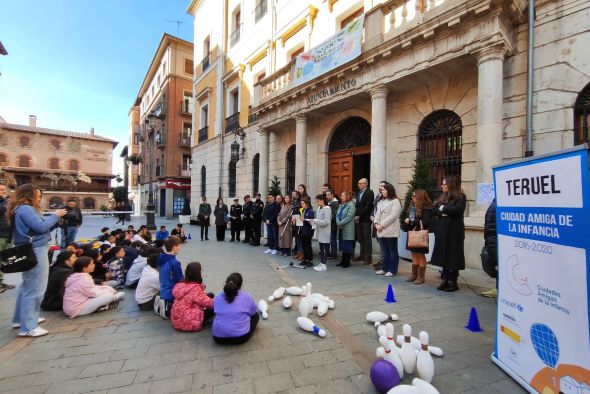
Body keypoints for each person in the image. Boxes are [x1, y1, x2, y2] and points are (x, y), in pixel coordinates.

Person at [9, 184, 66, 337]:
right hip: (36, 250)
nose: (39, 199)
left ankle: (20, 320)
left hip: (28, 249)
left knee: (27, 286)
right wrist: (56, 215)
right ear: (29, 195)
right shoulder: (26, 209)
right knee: (35, 289)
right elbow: (40, 227)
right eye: (37, 196)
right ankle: (28, 327)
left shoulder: (19, 209)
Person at [431, 176, 466, 292]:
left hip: (454, 232)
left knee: (453, 257)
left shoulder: (461, 196)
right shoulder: (442, 197)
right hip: (442, 231)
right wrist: (444, 210)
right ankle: (445, 280)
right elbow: (434, 210)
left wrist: (443, 209)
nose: (442, 186)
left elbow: (457, 210)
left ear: (450, 185)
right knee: (443, 256)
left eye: (444, 184)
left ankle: (452, 281)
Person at [212, 272, 258, 345]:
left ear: (226, 284)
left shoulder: (217, 296)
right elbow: (253, 312)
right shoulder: (247, 296)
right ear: (240, 285)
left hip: (218, 338)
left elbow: (214, 309)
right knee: (256, 316)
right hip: (240, 337)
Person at [171, 262, 214, 332]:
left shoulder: (180, 285)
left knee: (210, 295)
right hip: (189, 322)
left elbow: (193, 297)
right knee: (214, 307)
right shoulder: (195, 288)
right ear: (198, 273)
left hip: (176, 321)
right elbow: (209, 303)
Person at [403, 189, 433, 284]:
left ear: (419, 197)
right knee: (413, 254)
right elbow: (411, 221)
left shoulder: (426, 208)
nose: (412, 198)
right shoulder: (413, 206)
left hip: (420, 235)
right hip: (412, 233)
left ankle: (421, 277)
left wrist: (413, 221)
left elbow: (426, 222)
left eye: (414, 196)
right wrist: (408, 222)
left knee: (420, 255)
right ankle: (414, 275)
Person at [373, 183, 402, 277]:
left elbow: (393, 216)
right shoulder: (381, 201)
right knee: (385, 251)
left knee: (392, 250)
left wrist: (382, 225)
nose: (382, 192)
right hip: (380, 229)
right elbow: (377, 214)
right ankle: (384, 268)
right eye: (382, 190)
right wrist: (376, 223)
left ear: (389, 190)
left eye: (384, 190)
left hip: (390, 229)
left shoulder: (395, 201)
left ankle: (392, 269)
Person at [157, 236, 184, 318]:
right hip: (171, 294)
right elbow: (178, 281)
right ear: (174, 247)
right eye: (179, 245)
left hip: (163, 292)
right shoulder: (174, 262)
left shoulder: (161, 258)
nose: (180, 247)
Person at [355, 178, 375, 265]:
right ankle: (362, 255)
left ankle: (368, 257)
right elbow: (357, 206)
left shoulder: (370, 192)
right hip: (358, 219)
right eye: (358, 183)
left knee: (367, 238)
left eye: (360, 183)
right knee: (360, 238)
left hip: (366, 219)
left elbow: (368, 206)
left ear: (365, 184)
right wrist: (356, 216)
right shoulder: (358, 192)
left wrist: (359, 215)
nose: (358, 185)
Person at [481, 198, 498, 298]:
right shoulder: (495, 206)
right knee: (497, 266)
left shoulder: (495, 205)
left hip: (494, 241)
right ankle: (498, 289)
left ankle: (498, 289)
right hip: (494, 241)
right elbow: (491, 228)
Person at [0, 183, 15, 293]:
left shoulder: (5, 201)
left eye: (4, 189)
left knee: (4, 259)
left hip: (7, 234)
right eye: (0, 189)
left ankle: (1, 282)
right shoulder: (4, 203)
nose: (3, 191)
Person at [336, 191, 356, 268]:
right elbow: (337, 214)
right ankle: (343, 260)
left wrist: (340, 223)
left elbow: (349, 216)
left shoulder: (351, 205)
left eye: (342, 196)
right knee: (343, 244)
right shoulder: (341, 204)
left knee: (347, 244)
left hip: (348, 228)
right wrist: (338, 222)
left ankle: (347, 261)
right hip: (341, 227)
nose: (341, 197)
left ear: (347, 197)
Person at [312, 194, 332, 272]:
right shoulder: (319, 208)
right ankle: (321, 263)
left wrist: (315, 221)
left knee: (324, 249)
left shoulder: (327, 209)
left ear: (322, 200)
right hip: (320, 231)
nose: (316, 203)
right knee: (321, 248)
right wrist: (313, 221)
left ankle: (324, 265)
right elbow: (318, 219)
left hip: (325, 232)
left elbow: (327, 221)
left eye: (317, 201)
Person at [299, 198, 315, 268]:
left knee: (308, 246)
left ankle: (310, 260)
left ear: (307, 204)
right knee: (304, 246)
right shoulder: (304, 210)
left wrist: (304, 219)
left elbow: (311, 221)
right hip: (303, 230)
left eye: (303, 203)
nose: (301, 205)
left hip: (308, 231)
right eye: (301, 203)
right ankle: (305, 259)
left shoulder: (310, 211)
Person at [325, 190, 339, 261]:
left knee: (333, 239)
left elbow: (334, 214)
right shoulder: (329, 202)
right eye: (326, 195)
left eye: (328, 195)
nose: (327, 196)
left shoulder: (335, 203)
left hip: (332, 225)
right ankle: (330, 253)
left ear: (332, 195)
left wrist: (328, 220)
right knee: (330, 239)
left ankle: (334, 254)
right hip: (329, 224)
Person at [291, 191, 303, 259]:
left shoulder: (301, 203)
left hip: (300, 222)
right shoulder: (295, 202)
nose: (297, 196)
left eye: (298, 195)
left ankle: (301, 253)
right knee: (297, 238)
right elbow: (293, 212)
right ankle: (298, 252)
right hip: (295, 221)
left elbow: (301, 212)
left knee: (300, 239)